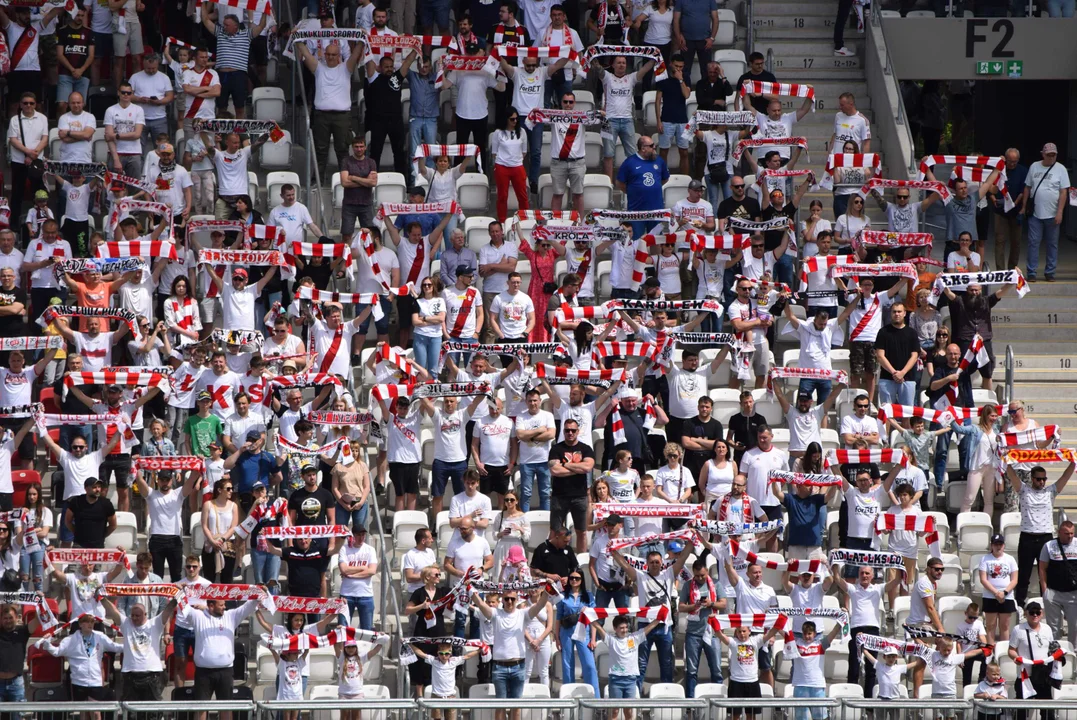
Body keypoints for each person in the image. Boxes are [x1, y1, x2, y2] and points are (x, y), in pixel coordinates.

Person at [470, 586, 550, 720]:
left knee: (516, 706)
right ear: (502, 600)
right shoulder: (496, 613)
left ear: (517, 599)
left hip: (518, 666)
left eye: (512, 599)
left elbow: (541, 604)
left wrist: (548, 589)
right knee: (500, 706)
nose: (509, 601)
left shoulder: (523, 613)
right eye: (506, 599)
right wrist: (470, 588)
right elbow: (480, 603)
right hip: (499, 667)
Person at [593, 55, 656, 182]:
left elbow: (645, 69)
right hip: (609, 120)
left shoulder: (631, 78)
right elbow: (597, 68)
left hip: (627, 120)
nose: (621, 65)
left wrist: (654, 57)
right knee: (608, 154)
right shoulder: (607, 77)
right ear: (613, 65)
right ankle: (608, 184)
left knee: (633, 155)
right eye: (619, 62)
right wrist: (593, 55)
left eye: (624, 63)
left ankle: (632, 181)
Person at [35, 613, 124, 701]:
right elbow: (57, 652)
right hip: (79, 680)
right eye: (87, 622)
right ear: (80, 624)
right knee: (82, 711)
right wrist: (47, 643)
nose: (90, 624)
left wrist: (130, 645)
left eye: (92, 622)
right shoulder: (70, 640)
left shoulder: (100, 636)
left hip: (95, 680)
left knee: (96, 711)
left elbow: (115, 647)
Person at [591, 613, 669, 715]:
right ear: (615, 628)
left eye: (626, 627)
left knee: (628, 712)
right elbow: (597, 626)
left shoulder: (634, 638)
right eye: (621, 628)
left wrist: (658, 618)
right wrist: (589, 614)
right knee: (614, 712)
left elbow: (649, 627)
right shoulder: (611, 640)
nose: (625, 630)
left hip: (630, 681)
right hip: (616, 680)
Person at [134, 468, 197, 581]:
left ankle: (175, 599)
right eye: (162, 480)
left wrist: (198, 462)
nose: (165, 482)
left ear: (171, 480)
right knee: (157, 576)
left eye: (167, 480)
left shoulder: (178, 493)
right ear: (158, 481)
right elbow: (138, 479)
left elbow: (193, 478)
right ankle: (159, 599)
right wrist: (135, 464)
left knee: (177, 576)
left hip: (174, 538)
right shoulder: (151, 494)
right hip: (157, 539)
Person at [1021, 142, 1070, 283]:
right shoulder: (1034, 166)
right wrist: (1024, 206)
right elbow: (1027, 187)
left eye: (1054, 155)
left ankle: (1050, 272)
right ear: (1043, 154)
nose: (1051, 157)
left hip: (1053, 213)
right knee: (1033, 243)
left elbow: (1063, 192)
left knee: (1052, 244)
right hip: (1035, 213)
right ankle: (1031, 271)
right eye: (1049, 155)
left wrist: (1060, 212)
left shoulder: (1061, 169)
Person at [715, 621, 784, 720]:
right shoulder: (733, 642)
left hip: (752, 682)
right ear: (736, 632)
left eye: (744, 631)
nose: (742, 634)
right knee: (735, 715)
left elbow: (772, 632)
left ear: (749, 631)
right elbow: (718, 634)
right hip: (736, 683)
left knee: (751, 715)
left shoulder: (756, 640)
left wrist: (781, 619)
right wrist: (713, 620)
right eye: (739, 631)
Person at [680, 557, 728, 696]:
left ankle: (717, 700)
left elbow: (724, 604)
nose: (700, 578)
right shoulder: (688, 585)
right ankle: (691, 703)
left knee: (716, 670)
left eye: (703, 575)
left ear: (707, 571)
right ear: (693, 573)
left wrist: (710, 604)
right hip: (693, 633)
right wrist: (694, 606)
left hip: (712, 632)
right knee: (691, 671)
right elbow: (681, 607)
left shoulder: (716, 584)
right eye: (697, 575)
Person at [404, 565, 450, 699]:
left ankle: (437, 693)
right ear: (427, 577)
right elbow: (407, 610)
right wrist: (422, 606)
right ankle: (420, 697)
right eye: (436, 574)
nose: (438, 577)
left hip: (438, 629)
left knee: (438, 659)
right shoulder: (419, 592)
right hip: (422, 629)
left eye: (439, 575)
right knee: (421, 662)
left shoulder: (442, 591)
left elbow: (455, 596)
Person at [1008, 600, 1058, 719]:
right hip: (1025, 677)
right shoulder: (1018, 629)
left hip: (1044, 676)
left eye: (1037, 612)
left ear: (1042, 613)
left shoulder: (1047, 629)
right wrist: (1016, 658)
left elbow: (1052, 648)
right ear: (1026, 614)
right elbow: (1011, 650)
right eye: (1032, 612)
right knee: (1022, 712)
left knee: (1047, 712)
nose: (1035, 615)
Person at [555, 569, 599, 695]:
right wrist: (557, 638)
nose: (574, 580)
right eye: (572, 578)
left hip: (583, 631)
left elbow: (593, 618)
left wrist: (593, 639)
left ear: (582, 580)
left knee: (589, 665)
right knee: (567, 665)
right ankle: (569, 697)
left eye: (577, 578)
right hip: (566, 632)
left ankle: (595, 697)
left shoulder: (588, 595)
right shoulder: (563, 595)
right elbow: (558, 618)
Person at [617, 136, 670, 239]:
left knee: (656, 240)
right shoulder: (629, 162)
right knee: (636, 241)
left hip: (656, 211)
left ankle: (654, 256)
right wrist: (634, 191)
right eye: (651, 146)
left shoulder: (659, 161)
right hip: (637, 211)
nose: (654, 147)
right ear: (643, 148)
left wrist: (653, 188)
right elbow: (620, 183)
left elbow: (664, 179)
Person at [875, 302, 921, 406]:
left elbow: (914, 356)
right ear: (890, 314)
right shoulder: (883, 332)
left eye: (899, 311)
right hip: (887, 378)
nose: (897, 314)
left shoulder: (912, 333)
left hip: (908, 378)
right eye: (894, 312)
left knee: (907, 414)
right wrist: (894, 373)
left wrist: (902, 373)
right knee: (886, 413)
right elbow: (880, 355)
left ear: (905, 313)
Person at [337, 522, 378, 630]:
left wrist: (350, 575)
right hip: (346, 594)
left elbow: (372, 571)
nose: (361, 538)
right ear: (352, 535)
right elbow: (344, 569)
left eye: (363, 535)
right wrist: (363, 568)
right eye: (358, 535)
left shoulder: (370, 550)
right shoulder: (344, 549)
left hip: (366, 594)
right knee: (343, 629)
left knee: (367, 630)